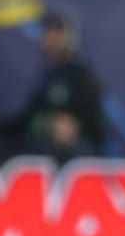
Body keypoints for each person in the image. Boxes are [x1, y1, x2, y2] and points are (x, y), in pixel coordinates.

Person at [19, 12, 105, 159]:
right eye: (48, 32)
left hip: (76, 151)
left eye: (57, 33)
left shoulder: (80, 74)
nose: (51, 38)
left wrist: (74, 124)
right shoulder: (43, 75)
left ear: (68, 38)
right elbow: (28, 117)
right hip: (43, 149)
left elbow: (94, 119)